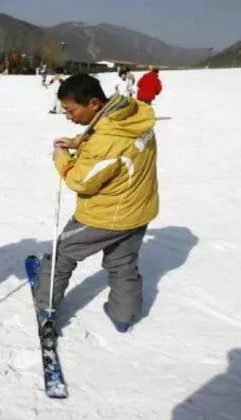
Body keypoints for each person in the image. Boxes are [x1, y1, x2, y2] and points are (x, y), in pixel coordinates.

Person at [32, 74, 159, 333]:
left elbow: (81, 181)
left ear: (93, 104)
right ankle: (124, 314)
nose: (67, 116)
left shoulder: (107, 140)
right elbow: (115, 144)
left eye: (70, 110)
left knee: (62, 255)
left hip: (105, 216)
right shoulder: (132, 117)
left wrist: (62, 158)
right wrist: (80, 141)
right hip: (138, 210)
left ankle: (44, 305)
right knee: (123, 262)